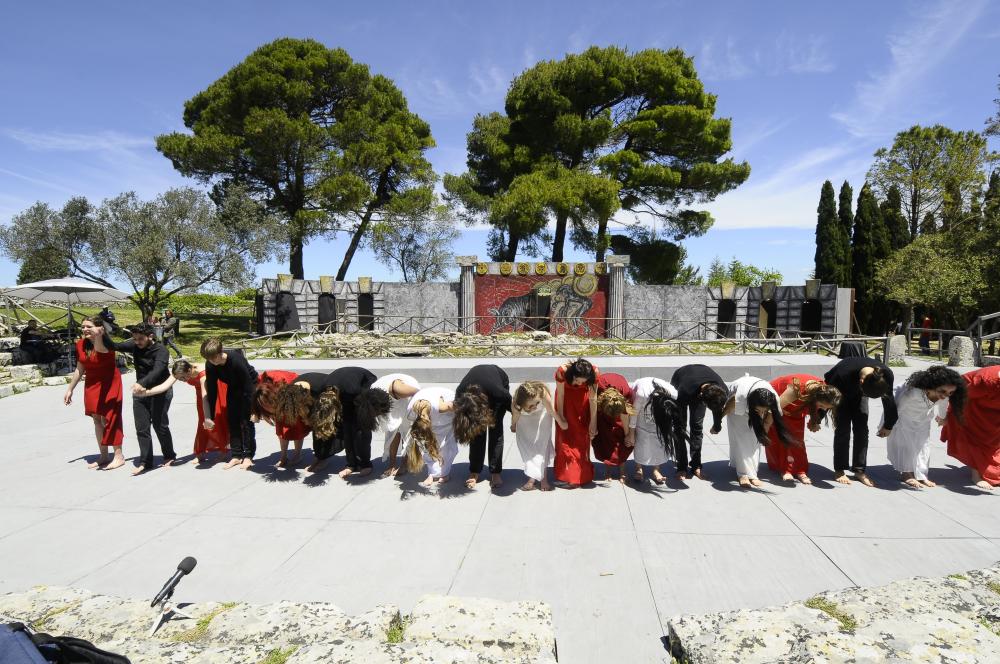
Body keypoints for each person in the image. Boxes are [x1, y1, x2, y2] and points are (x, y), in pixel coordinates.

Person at [136, 359, 230, 463]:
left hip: (213, 392)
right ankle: (200, 452)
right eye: (180, 379)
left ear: (189, 369)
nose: (183, 380)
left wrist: (207, 417)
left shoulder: (202, 373)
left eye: (184, 377)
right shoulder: (179, 370)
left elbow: (205, 396)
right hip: (200, 395)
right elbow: (164, 386)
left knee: (217, 418)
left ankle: (224, 450)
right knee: (202, 422)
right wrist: (146, 392)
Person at [887, 366, 966, 488]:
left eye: (950, 393)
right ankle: (907, 473)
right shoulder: (912, 393)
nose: (945, 395)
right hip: (904, 418)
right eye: (942, 391)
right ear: (932, 386)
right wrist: (888, 425)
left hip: (923, 419)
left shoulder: (943, 396)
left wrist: (942, 417)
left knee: (923, 446)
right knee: (907, 445)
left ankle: (921, 475)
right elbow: (897, 406)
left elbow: (944, 404)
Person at [112, 322, 175, 475]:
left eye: (140, 338)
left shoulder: (161, 350)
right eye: (134, 339)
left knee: (160, 425)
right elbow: (115, 346)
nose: (137, 342)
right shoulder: (135, 345)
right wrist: (99, 336)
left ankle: (169, 455)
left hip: (160, 391)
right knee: (142, 427)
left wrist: (141, 383)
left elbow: (158, 370)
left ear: (150, 336)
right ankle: (145, 462)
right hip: (140, 393)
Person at [823, 356, 898, 487]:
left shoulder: (885, 375)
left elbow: (889, 400)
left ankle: (859, 470)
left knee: (862, 430)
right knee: (842, 429)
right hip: (841, 392)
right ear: (861, 381)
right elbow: (827, 396)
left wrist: (888, 425)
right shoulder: (841, 372)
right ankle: (840, 469)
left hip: (862, 391)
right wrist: (817, 417)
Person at [63, 317, 125, 470]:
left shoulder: (107, 343)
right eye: (82, 327)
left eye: (88, 326)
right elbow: (80, 368)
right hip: (92, 384)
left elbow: (100, 351)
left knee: (110, 418)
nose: (84, 330)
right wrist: (70, 388)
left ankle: (118, 455)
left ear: (99, 328)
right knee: (97, 419)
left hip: (110, 383)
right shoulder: (80, 344)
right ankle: (103, 455)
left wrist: (98, 335)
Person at [765, 374, 841, 484]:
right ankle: (785, 469)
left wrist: (815, 420)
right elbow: (774, 409)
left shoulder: (824, 391)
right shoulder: (796, 389)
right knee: (782, 435)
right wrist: (765, 427)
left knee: (798, 438)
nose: (823, 409)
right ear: (816, 398)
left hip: (798, 406)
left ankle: (800, 469)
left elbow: (815, 405)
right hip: (778, 400)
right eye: (822, 406)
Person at [725, 374, 796, 488]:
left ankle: (752, 474)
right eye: (759, 410)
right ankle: (742, 474)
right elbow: (727, 408)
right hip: (735, 407)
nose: (762, 414)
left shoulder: (774, 399)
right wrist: (717, 423)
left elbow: (769, 420)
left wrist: (763, 432)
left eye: (765, 411)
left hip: (754, 400)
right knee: (741, 438)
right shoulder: (740, 396)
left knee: (754, 439)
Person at [324, 366, 391, 479]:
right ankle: (351, 464)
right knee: (347, 432)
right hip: (345, 396)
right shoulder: (325, 387)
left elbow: (365, 401)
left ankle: (365, 464)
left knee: (361, 432)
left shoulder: (353, 390)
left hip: (363, 389)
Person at [201, 338, 258, 470]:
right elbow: (212, 390)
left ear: (220, 353)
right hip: (233, 387)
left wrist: (254, 410)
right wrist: (211, 417)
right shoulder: (210, 364)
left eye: (213, 358)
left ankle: (248, 456)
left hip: (250, 387)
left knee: (246, 422)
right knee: (232, 420)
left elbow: (248, 386)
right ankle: (236, 455)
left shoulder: (236, 360)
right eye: (208, 359)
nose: (211, 362)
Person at [940, 365, 1000, 489]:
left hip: (995, 408)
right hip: (972, 405)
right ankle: (976, 475)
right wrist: (948, 414)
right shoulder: (985, 380)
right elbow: (958, 395)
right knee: (977, 437)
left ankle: (988, 470)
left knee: (996, 440)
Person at [454, 364, 512, 489]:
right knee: (477, 433)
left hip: (498, 379)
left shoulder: (499, 393)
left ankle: (495, 472)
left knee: (495, 431)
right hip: (477, 392)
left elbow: (512, 406)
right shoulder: (460, 394)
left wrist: (515, 422)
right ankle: (475, 471)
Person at [670, 364, 729, 481]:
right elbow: (678, 426)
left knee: (697, 427)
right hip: (681, 379)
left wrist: (717, 426)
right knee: (679, 429)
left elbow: (718, 407)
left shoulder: (722, 390)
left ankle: (696, 465)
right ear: (701, 396)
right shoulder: (684, 389)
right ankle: (681, 466)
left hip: (701, 380)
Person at [511, 381, 566, 491]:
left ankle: (544, 479)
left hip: (543, 417)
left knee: (542, 447)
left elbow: (551, 410)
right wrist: (513, 426)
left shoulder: (542, 393)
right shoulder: (516, 404)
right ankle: (532, 478)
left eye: (537, 403)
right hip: (525, 422)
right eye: (531, 405)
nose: (535, 407)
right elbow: (515, 417)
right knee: (529, 450)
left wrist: (561, 422)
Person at [553, 358, 599, 487]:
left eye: (583, 382)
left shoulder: (594, 372)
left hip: (582, 402)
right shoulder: (562, 371)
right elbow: (560, 395)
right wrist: (561, 418)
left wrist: (593, 422)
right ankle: (566, 474)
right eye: (577, 380)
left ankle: (580, 476)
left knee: (582, 438)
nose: (579, 383)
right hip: (564, 402)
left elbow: (593, 397)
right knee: (564, 438)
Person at [629, 377, 682, 485]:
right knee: (640, 441)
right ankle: (639, 469)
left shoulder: (672, 394)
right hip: (641, 414)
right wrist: (631, 433)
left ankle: (656, 470)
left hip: (661, 417)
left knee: (659, 441)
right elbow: (633, 413)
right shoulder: (641, 394)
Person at [252, 370, 310, 468]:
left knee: (297, 426)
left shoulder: (280, 384)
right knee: (280, 428)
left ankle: (297, 455)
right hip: (275, 396)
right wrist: (256, 413)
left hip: (292, 392)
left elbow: (290, 396)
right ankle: (283, 457)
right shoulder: (260, 390)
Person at [371, 373, 421, 477]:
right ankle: (392, 463)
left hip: (408, 397)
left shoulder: (399, 389)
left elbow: (419, 393)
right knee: (391, 430)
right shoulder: (371, 395)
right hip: (387, 399)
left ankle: (405, 463)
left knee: (406, 430)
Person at [405, 386, 457, 486]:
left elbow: (453, 405)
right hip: (429, 405)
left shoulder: (441, 406)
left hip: (447, 411)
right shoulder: (411, 412)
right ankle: (432, 473)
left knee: (447, 445)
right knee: (427, 446)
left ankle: (444, 473)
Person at [593, 372, 635, 483]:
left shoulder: (626, 392)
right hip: (603, 411)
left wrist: (627, 435)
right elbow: (592, 406)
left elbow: (625, 414)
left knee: (622, 441)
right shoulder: (598, 388)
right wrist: (593, 425)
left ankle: (622, 470)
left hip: (619, 408)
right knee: (605, 440)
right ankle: (608, 470)